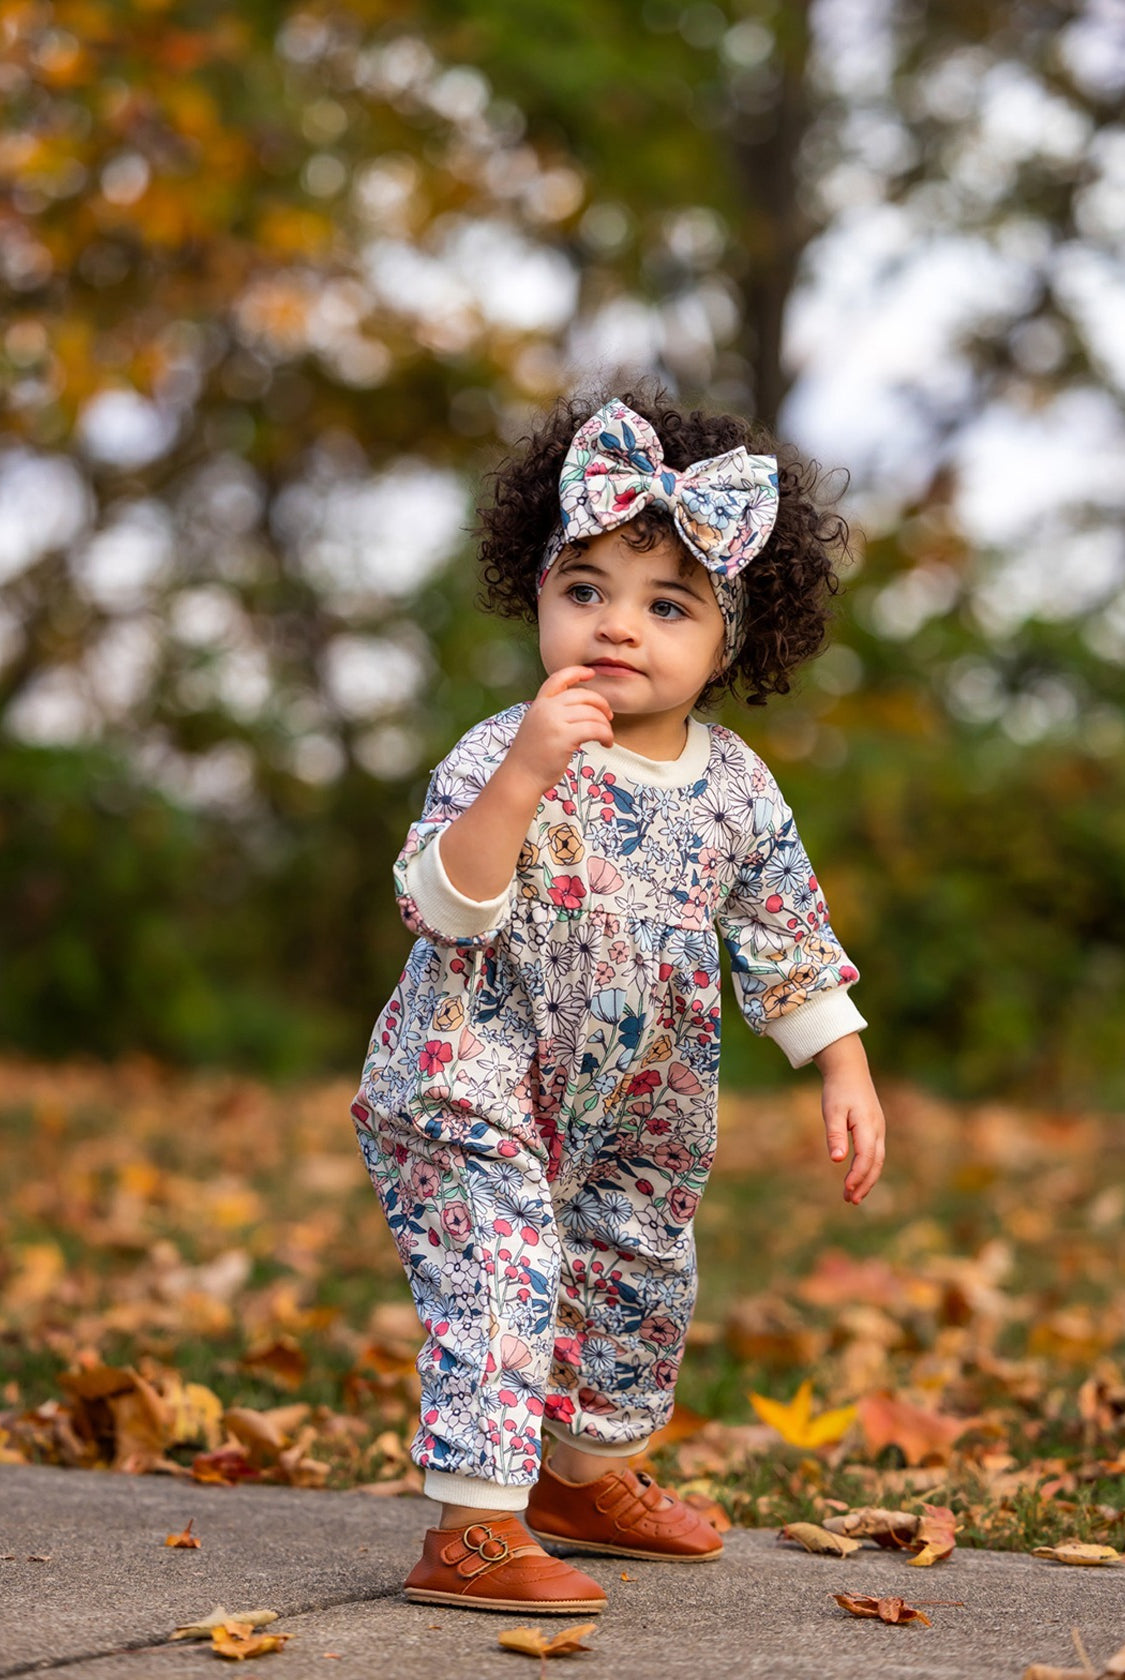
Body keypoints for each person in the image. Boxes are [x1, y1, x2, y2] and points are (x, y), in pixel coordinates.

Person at [350, 388, 886, 1615]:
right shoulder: (504, 748)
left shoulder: (738, 787)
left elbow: (786, 931)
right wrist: (528, 773)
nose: (618, 626)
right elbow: (446, 906)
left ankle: (581, 1480)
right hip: (468, 1075)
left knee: (636, 1270)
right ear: (538, 594)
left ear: (729, 642)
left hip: (643, 1099)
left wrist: (842, 1064)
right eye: (585, 588)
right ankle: (471, 1526)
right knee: (503, 1268)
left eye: (667, 605)